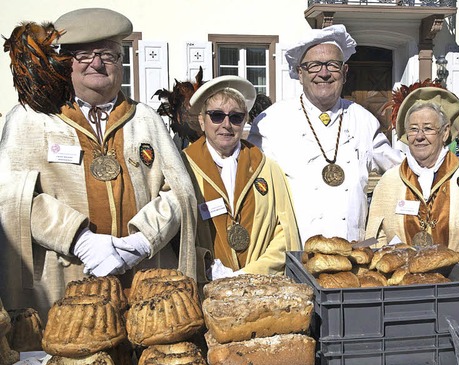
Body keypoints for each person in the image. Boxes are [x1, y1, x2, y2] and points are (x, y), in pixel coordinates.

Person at [0, 8, 198, 320]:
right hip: (65, 285)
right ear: (65, 63)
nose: (97, 63)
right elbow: (13, 195)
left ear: (122, 63)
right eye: (84, 54)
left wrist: (141, 240)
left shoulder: (145, 120)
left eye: (109, 54)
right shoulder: (31, 119)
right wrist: (79, 239)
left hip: (144, 288)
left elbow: (180, 193)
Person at [248, 24, 403, 244]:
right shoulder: (270, 122)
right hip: (294, 254)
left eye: (332, 65)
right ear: (300, 74)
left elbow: (399, 168)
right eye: (314, 66)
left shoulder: (363, 119)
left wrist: (447, 163)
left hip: (352, 253)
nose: (324, 73)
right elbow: (248, 181)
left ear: (345, 72)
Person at [183, 76, 300, 277]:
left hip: (260, 288)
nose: (226, 124)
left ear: (245, 120)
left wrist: (250, 273)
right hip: (205, 287)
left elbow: (285, 233)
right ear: (202, 121)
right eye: (217, 116)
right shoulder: (183, 167)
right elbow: (176, 236)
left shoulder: (267, 168)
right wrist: (205, 265)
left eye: (235, 117)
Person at [366, 88, 459, 270]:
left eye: (428, 129)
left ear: (445, 132)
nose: (419, 136)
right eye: (413, 129)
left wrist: (454, 266)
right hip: (403, 287)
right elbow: (376, 239)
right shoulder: (389, 181)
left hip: (458, 283)